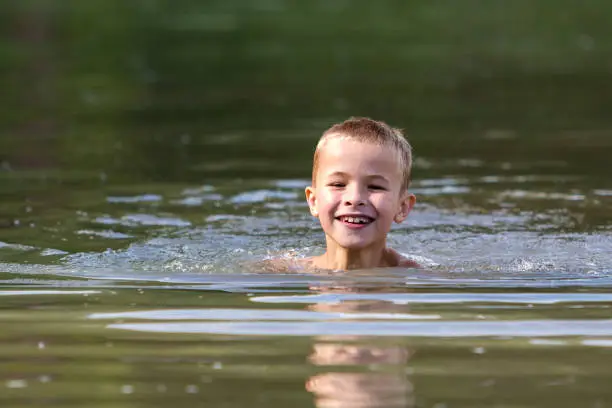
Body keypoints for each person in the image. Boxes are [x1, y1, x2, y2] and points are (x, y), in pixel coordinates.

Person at [260, 117, 420, 272]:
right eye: (338, 184)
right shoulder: (282, 271)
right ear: (313, 201)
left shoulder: (416, 278)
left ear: (402, 207)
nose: (355, 199)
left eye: (375, 186)